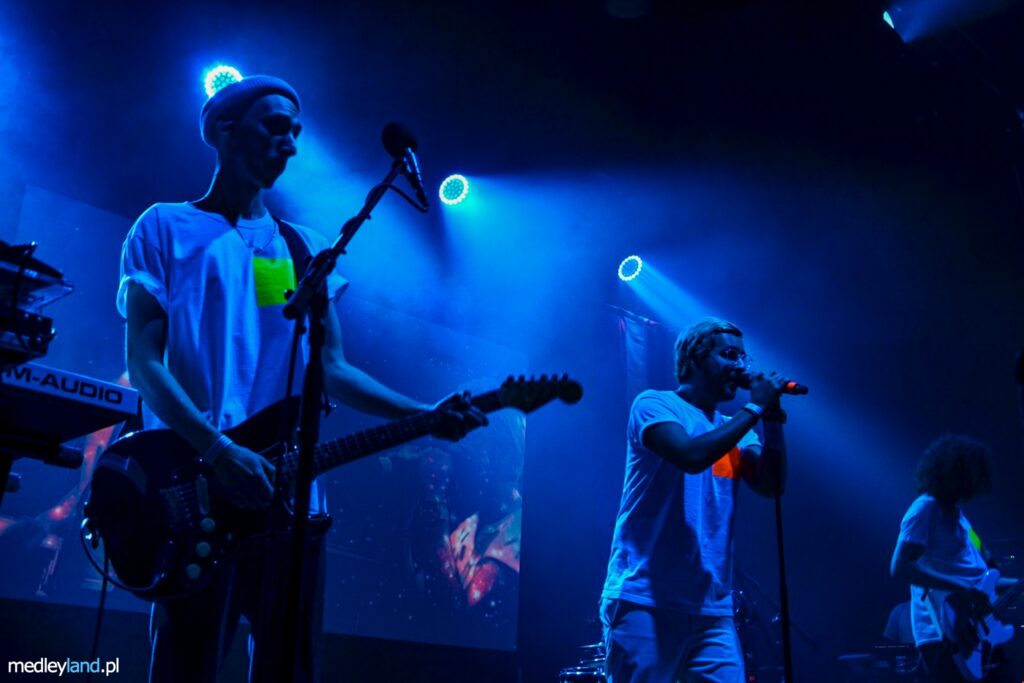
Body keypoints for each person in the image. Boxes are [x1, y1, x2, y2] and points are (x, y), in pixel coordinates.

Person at [117, 75, 486, 683]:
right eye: (275, 125)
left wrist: (425, 412)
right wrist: (219, 449)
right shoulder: (162, 228)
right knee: (184, 668)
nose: (289, 142)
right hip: (196, 492)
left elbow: (332, 370)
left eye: (296, 132)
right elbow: (145, 362)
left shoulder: (301, 248)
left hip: (290, 505)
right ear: (222, 131)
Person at [601, 317, 789, 683]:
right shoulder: (655, 405)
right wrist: (754, 411)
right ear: (695, 358)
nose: (740, 366)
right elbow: (690, 455)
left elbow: (770, 485)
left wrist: (773, 420)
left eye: (744, 357)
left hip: (711, 607)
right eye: (729, 354)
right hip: (645, 599)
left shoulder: (736, 427)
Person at [890, 434, 1018, 682]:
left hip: (980, 634)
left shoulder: (961, 519)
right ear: (953, 473)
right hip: (946, 636)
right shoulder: (925, 508)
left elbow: (981, 579)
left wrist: (1016, 585)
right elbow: (900, 567)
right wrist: (962, 589)